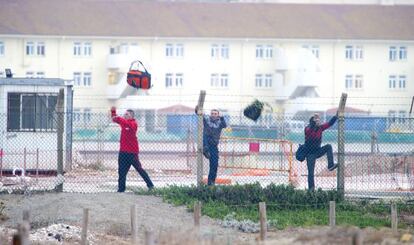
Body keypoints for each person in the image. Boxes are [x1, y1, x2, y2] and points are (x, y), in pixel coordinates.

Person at [111, 107, 154, 192]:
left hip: (132, 153)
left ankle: (150, 185)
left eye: (127, 114)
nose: (125, 116)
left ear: (132, 116)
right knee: (121, 171)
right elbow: (114, 119)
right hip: (123, 152)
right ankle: (121, 189)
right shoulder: (124, 123)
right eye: (124, 114)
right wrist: (113, 112)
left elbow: (126, 123)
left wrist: (119, 118)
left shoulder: (133, 124)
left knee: (139, 169)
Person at [304, 113, 338, 191]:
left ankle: (330, 165)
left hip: (318, 151)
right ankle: (311, 190)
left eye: (318, 119)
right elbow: (309, 130)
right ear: (312, 121)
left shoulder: (320, 128)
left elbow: (330, 124)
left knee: (328, 146)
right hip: (310, 154)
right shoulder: (307, 128)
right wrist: (314, 122)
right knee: (311, 173)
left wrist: (335, 116)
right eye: (316, 119)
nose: (318, 121)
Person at [195, 106, 227, 185]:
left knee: (214, 165)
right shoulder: (207, 120)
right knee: (205, 134)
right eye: (212, 113)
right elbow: (200, 115)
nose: (213, 115)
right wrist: (197, 109)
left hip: (214, 146)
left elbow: (225, 125)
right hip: (206, 143)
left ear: (218, 115)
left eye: (215, 114)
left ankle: (211, 183)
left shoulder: (220, 122)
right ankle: (205, 150)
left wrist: (222, 117)